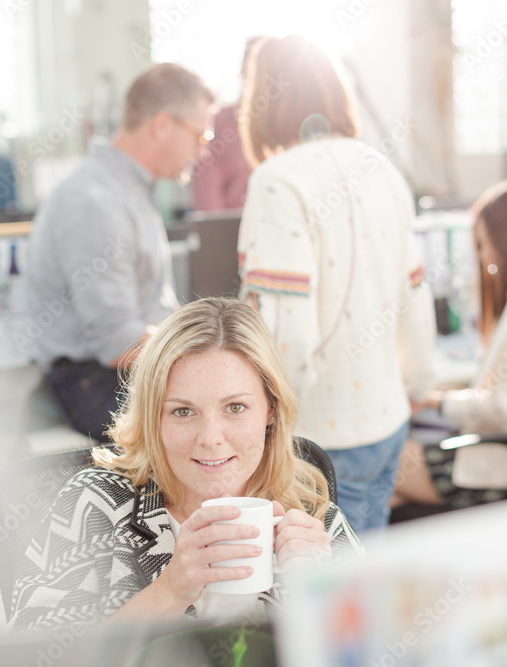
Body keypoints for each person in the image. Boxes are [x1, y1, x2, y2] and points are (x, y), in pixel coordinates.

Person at [8, 298, 363, 631]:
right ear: (153, 418)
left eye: (235, 407)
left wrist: (321, 592)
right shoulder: (95, 507)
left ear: (270, 409)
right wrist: (170, 592)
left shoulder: (315, 518)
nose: (210, 438)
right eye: (182, 411)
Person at [236, 36, 436, 532]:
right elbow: (414, 298)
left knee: (324, 578)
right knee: (363, 569)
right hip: (387, 422)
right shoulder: (382, 168)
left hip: (320, 438)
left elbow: (286, 331)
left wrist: (265, 428)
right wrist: (417, 385)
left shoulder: (277, 180)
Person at [23, 64, 214, 441]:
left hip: (124, 372)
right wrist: (203, 357)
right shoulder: (97, 201)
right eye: (201, 135)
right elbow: (118, 343)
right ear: (162, 125)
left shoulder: (128, 190)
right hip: (96, 381)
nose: (204, 150)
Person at [392, 179, 507, 510]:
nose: (482, 256)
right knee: (385, 494)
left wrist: (435, 401)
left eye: (484, 244)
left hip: (506, 466)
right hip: (487, 451)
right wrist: (434, 396)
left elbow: (505, 406)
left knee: (378, 469)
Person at [190, 38, 259, 211]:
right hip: (233, 226)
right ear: (244, 73)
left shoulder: (288, 129)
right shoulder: (218, 123)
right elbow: (207, 193)